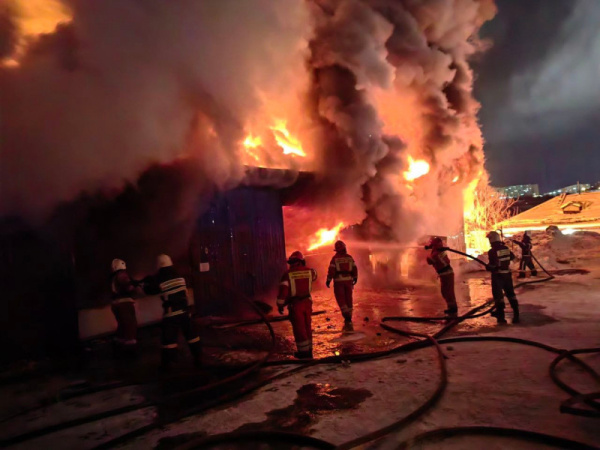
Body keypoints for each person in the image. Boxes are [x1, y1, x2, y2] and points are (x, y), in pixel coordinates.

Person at [143, 254, 201, 370]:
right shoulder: (180, 277)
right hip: (185, 312)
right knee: (192, 336)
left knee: (168, 340)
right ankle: (199, 358)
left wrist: (146, 282)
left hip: (171, 314)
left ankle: (169, 364)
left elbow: (149, 290)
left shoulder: (160, 279)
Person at [277, 251, 317, 359]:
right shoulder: (309, 271)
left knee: (299, 329)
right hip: (307, 303)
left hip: (296, 304)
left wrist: (280, 305)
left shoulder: (287, 274)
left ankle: (303, 353)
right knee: (307, 326)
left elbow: (283, 292)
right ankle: (309, 350)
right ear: (301, 261)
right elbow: (315, 275)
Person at [486, 231, 520, 324]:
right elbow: (514, 259)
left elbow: (493, 265)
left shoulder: (492, 251)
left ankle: (501, 316)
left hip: (498, 276)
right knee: (511, 294)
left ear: (492, 240)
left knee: (498, 296)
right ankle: (516, 314)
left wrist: (488, 267)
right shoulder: (506, 248)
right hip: (507, 275)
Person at [110, 259, 139, 353]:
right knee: (130, 325)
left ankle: (119, 345)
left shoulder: (113, 277)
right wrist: (135, 284)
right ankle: (130, 349)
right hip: (124, 304)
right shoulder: (122, 275)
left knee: (122, 326)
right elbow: (128, 287)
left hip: (116, 304)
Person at [326, 240, 358, 325]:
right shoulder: (349, 257)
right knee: (348, 298)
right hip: (349, 281)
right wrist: (355, 277)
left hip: (339, 282)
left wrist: (328, 280)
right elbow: (354, 268)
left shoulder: (335, 258)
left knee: (341, 299)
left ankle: (346, 316)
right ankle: (349, 316)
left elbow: (331, 270)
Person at [426, 237, 458, 316]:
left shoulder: (435, 253)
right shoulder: (440, 251)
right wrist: (429, 247)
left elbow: (431, 262)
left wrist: (428, 259)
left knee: (447, 292)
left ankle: (452, 309)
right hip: (447, 273)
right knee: (448, 291)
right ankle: (452, 307)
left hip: (445, 274)